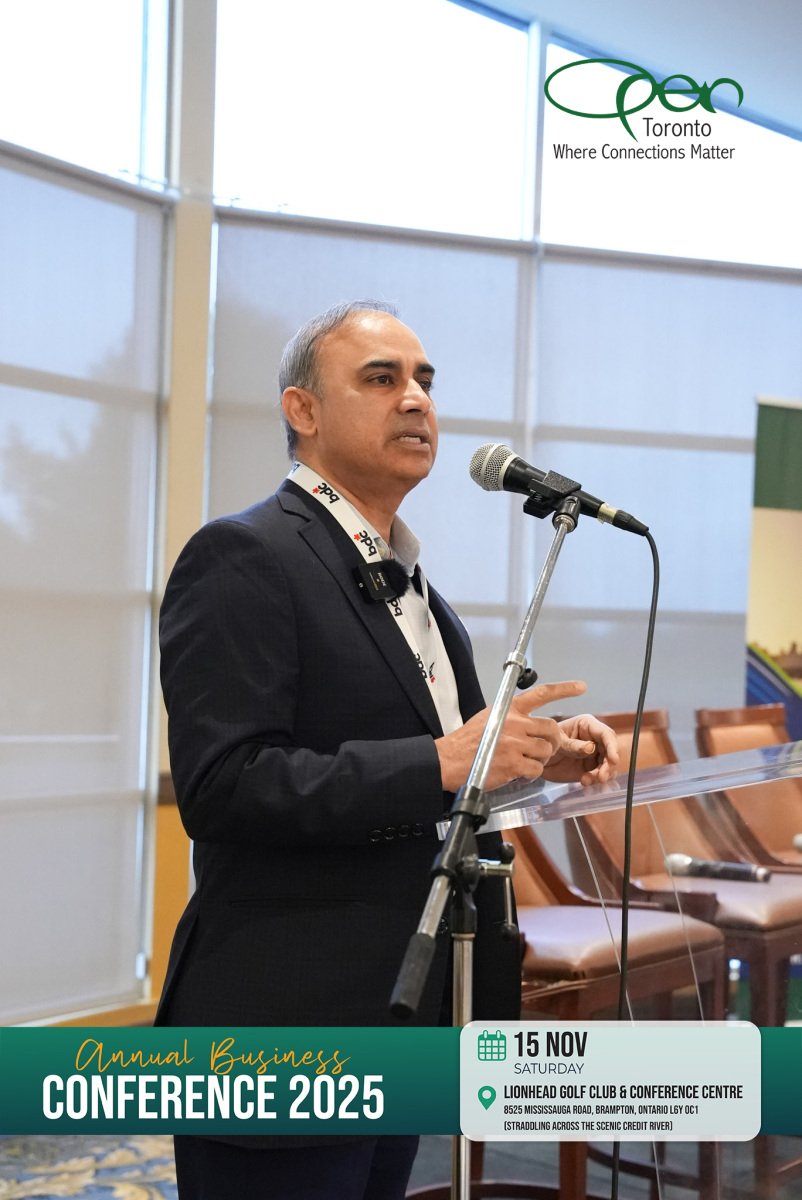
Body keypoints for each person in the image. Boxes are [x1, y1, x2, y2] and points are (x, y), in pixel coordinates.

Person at [157, 300, 619, 1199]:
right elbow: (223, 785)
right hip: (284, 1023)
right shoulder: (243, 555)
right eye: (381, 379)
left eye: (424, 381)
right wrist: (444, 762)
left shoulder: (417, 593)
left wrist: (536, 756)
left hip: (400, 1016)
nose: (416, 399)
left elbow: (444, 778)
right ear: (302, 409)